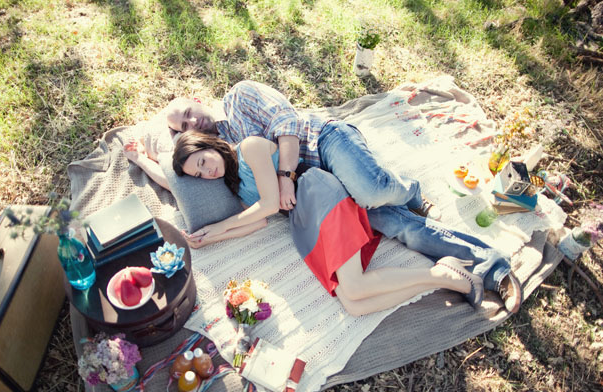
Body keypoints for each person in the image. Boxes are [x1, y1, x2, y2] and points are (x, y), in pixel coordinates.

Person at [168, 131, 522, 316]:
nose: (206, 171)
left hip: (319, 192)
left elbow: (271, 203)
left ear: (209, 144)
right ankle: (444, 278)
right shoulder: (238, 190)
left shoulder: (249, 148)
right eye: (197, 174)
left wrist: (221, 226)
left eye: (202, 160)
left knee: (368, 270)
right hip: (303, 221)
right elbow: (259, 222)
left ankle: (468, 272)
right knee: (353, 302)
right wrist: (210, 237)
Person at [163, 80, 440, 220]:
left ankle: (411, 190)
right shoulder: (217, 153)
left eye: (189, 112)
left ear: (198, 100)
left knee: (371, 191)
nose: (192, 122)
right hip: (315, 186)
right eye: (184, 126)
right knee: (380, 221)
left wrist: (285, 177)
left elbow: (287, 121)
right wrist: (147, 156)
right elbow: (180, 167)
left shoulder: (239, 96)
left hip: (323, 142)